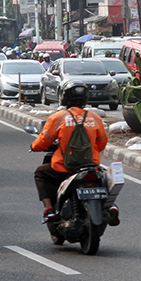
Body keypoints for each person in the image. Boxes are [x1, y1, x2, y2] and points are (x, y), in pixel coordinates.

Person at [30, 80, 109, 223]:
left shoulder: (58, 117)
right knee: (104, 180)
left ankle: (48, 209)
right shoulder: (95, 117)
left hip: (64, 167)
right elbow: (102, 143)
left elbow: (43, 141)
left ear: (64, 98)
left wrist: (34, 147)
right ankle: (111, 206)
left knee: (41, 173)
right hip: (90, 165)